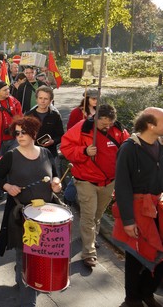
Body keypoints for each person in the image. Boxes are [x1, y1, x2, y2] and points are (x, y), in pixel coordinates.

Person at [0, 116, 62, 307]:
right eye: (16, 132)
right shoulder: (11, 155)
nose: (20, 136)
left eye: (23, 132)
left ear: (33, 132)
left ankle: (23, 278)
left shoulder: (46, 153)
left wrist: (57, 184)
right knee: (25, 255)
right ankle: (27, 299)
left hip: (46, 215)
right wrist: (7, 185)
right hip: (21, 216)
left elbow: (55, 176)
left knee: (39, 254)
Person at [60, 104, 129, 268]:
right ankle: (89, 253)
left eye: (109, 123)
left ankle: (91, 237)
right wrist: (84, 151)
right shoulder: (82, 128)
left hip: (109, 181)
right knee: (89, 216)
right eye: (103, 123)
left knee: (98, 214)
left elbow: (127, 149)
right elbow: (66, 147)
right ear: (96, 118)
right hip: (86, 180)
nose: (107, 126)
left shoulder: (118, 130)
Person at [112, 108, 163, 307]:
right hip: (136, 210)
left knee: (159, 254)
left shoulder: (160, 144)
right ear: (151, 125)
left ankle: (147, 293)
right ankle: (132, 299)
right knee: (136, 256)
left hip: (157, 208)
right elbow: (122, 186)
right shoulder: (129, 148)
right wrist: (128, 221)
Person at [25, 86, 64, 158]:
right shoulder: (28, 116)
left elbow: (61, 135)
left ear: (50, 100)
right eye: (40, 98)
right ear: (36, 99)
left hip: (50, 154)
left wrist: (53, 141)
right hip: (31, 153)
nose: (42, 101)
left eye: (46, 99)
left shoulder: (55, 116)